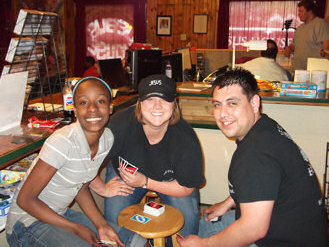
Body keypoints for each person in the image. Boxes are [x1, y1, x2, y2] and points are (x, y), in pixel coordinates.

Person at [177, 68, 328, 246]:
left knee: (202, 236)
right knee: (206, 226)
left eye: (232, 103)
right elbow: (262, 183)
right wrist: (228, 202)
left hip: (280, 240)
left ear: (254, 103)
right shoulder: (265, 127)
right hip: (298, 229)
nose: (222, 113)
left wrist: (202, 245)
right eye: (217, 104)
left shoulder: (255, 154)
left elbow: (252, 228)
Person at [5, 77, 145, 246]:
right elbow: (25, 200)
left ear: (110, 108)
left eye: (100, 101)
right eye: (83, 102)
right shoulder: (63, 142)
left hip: (59, 214)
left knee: (137, 242)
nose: (92, 109)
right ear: (75, 109)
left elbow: (81, 186)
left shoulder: (107, 139)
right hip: (27, 223)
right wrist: (76, 228)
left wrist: (102, 224)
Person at [90, 74, 205, 241]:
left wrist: (145, 182)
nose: (157, 106)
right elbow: (85, 162)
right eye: (150, 99)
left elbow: (186, 188)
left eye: (165, 99)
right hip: (125, 175)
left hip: (171, 182)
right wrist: (102, 188)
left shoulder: (186, 139)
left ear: (175, 103)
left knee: (187, 230)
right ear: (140, 103)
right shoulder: (118, 126)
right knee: (114, 228)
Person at [284, 0, 329, 71]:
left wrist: (324, 54)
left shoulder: (321, 24)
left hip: (313, 71)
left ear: (310, 11)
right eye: (298, 11)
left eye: (301, 11)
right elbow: (294, 45)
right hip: (298, 70)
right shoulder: (300, 28)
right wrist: (289, 49)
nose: (298, 14)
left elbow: (326, 48)